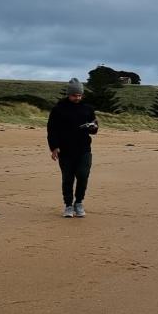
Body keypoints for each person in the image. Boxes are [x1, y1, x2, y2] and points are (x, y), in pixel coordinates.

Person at [47, 78, 98, 217]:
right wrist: (54, 147)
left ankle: (79, 203)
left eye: (80, 95)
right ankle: (68, 205)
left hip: (84, 150)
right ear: (69, 94)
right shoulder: (58, 109)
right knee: (67, 179)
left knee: (83, 175)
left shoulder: (88, 109)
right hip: (65, 150)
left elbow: (94, 128)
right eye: (75, 95)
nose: (78, 98)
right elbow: (52, 129)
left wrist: (93, 127)